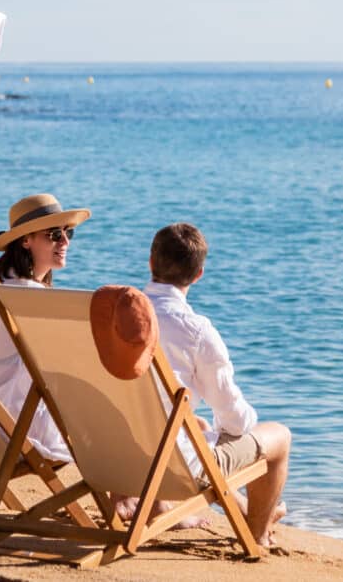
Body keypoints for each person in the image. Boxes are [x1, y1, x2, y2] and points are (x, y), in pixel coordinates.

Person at [144, 222, 291, 547]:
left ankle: (252, 513)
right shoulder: (195, 331)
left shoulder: (108, 314)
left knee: (194, 429)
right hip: (171, 468)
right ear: (198, 275)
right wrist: (229, 430)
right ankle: (258, 533)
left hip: (113, 459)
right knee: (278, 437)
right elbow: (235, 418)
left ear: (151, 262)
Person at [0, 193, 90, 462]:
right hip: (13, 426)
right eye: (54, 234)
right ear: (26, 240)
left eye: (68, 233)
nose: (65, 241)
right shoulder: (29, 298)